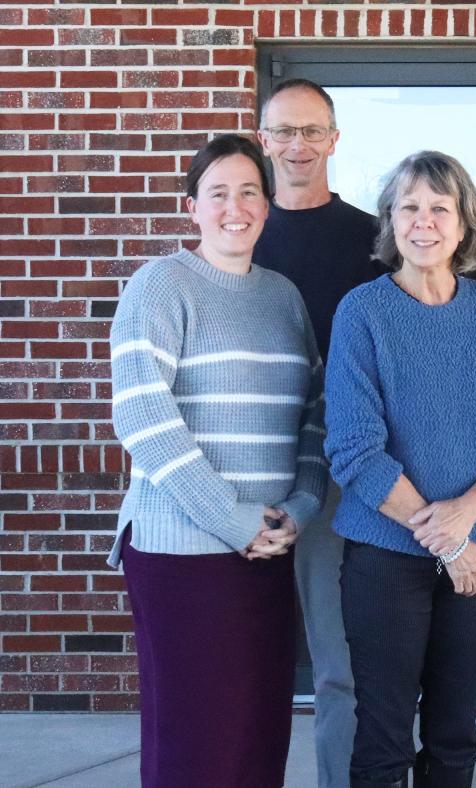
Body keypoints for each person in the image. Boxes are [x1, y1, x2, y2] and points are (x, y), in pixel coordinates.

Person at [324, 150, 476, 788]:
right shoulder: (362, 312)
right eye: (409, 207)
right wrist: (448, 541)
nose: (423, 222)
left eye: (439, 208)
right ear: (390, 221)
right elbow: (355, 452)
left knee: (456, 733)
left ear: (464, 221)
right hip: (385, 559)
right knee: (384, 735)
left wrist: (467, 518)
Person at [107, 134, 327, 787]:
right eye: (219, 194)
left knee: (257, 737)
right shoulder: (161, 286)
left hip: (266, 551)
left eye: (249, 192)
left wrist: (299, 510)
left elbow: (315, 414)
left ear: (267, 206)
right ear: (193, 207)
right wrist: (235, 521)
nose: (236, 207)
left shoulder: (282, 297)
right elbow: (143, 418)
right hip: (181, 556)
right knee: (195, 745)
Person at [254, 78, 383, 788]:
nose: (298, 145)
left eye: (312, 131)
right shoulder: (240, 233)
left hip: (336, 475)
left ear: (334, 140)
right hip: (243, 473)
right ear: (264, 139)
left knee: (339, 665)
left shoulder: (371, 240)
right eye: (284, 131)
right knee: (243, 662)